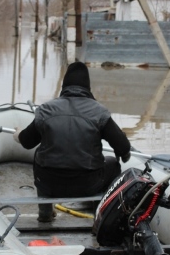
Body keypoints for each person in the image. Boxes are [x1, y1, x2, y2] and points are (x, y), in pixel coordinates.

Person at [13, 62, 132, 222]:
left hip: (50, 183)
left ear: (64, 85)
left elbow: (27, 142)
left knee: (38, 154)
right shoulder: (99, 112)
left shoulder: (46, 110)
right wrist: (124, 154)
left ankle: (45, 214)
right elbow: (123, 146)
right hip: (88, 185)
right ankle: (101, 217)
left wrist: (18, 134)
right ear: (87, 87)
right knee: (113, 164)